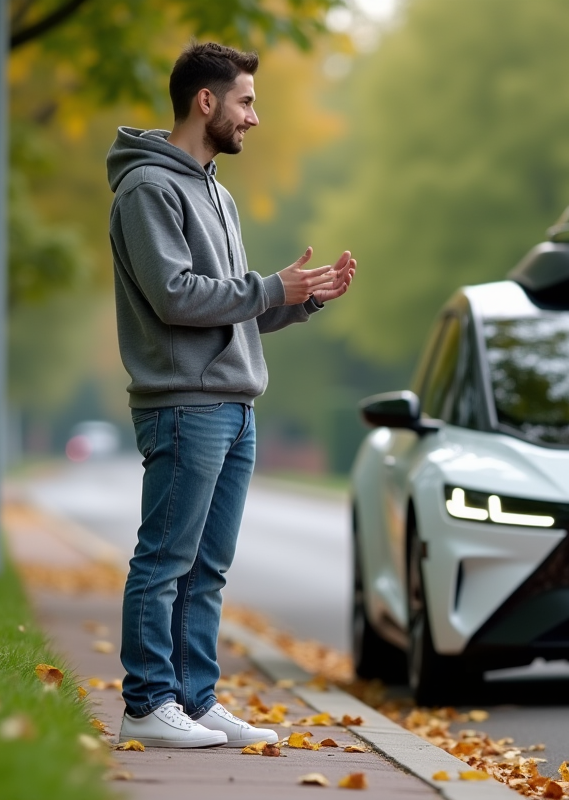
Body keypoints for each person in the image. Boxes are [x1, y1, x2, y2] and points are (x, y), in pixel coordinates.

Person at [105, 41, 356, 748]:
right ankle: (147, 704)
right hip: (185, 404)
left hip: (235, 404)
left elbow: (231, 308)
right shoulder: (148, 189)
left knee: (207, 570)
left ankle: (193, 697)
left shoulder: (218, 192)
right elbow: (176, 296)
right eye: (245, 101)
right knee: (165, 560)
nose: (254, 116)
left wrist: (301, 298)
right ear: (206, 101)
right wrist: (270, 287)